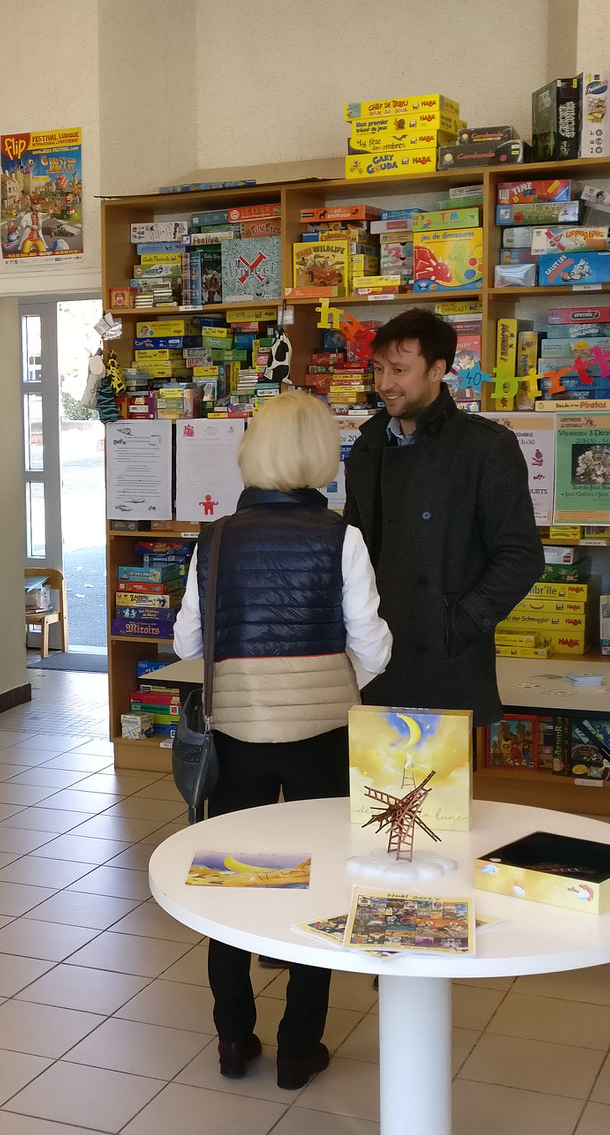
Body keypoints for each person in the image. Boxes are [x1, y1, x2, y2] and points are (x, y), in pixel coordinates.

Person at [172, 388, 392, 1090]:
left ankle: (235, 1036)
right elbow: (373, 646)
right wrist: (334, 675)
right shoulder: (341, 537)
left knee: (232, 883)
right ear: (321, 456)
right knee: (322, 881)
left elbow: (184, 640)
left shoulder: (214, 539)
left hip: (237, 734)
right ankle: (300, 1046)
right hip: (322, 735)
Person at [343, 308, 543, 724]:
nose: (384, 384)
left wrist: (457, 623)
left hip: (445, 661)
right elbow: (353, 549)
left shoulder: (485, 447)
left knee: (437, 787)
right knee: (373, 786)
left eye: (398, 370)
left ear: (438, 370)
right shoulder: (367, 447)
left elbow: (520, 557)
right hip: (370, 657)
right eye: (378, 369)